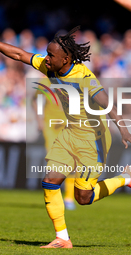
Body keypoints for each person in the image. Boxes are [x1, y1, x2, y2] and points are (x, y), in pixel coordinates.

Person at [0, 24, 131, 249]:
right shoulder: (50, 67)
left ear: (67, 58)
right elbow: (19, 54)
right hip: (70, 133)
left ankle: (126, 178)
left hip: (93, 140)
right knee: (50, 181)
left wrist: (123, 128)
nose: (46, 58)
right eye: (47, 53)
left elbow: (105, 101)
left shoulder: (83, 76)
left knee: (84, 198)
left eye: (51, 55)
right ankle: (63, 238)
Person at [32, 81, 76, 210]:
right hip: (50, 127)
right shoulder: (44, 82)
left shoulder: (72, 80)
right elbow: (35, 101)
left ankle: (69, 198)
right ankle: (54, 196)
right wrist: (39, 120)